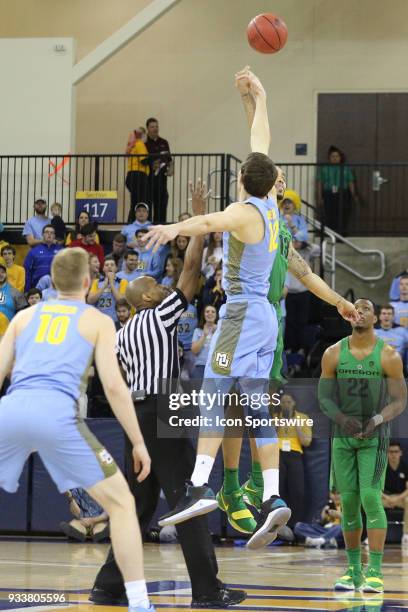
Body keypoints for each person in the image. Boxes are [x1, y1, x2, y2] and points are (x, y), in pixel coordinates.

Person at [143, 70, 290, 549]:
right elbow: (260, 138)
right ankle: (271, 497)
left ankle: (200, 487)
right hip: (266, 321)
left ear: (243, 178)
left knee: (212, 396)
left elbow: (211, 219)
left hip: (242, 314)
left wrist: (172, 227)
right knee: (254, 406)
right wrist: (257, 96)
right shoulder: (269, 199)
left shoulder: (246, 211)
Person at [210, 67, 359, 537]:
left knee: (263, 405)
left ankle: (253, 485)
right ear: (268, 184)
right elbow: (256, 149)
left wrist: (339, 302)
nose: (279, 178)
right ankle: (233, 487)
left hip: (266, 322)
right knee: (235, 404)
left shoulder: (279, 231)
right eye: (275, 176)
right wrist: (252, 100)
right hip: (240, 313)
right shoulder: (250, 211)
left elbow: (306, 273)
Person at [90, 181, 246, 609]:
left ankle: (108, 586)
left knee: (137, 507)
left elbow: (113, 381)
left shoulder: (121, 334)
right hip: (163, 407)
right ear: (143, 297)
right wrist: (198, 223)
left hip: (135, 416)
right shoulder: (159, 314)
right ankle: (208, 591)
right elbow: (192, 272)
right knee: (189, 499)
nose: (160, 285)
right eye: (152, 283)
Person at [0, 247, 154, 612]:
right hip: (56, 417)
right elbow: (115, 388)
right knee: (122, 505)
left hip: (12, 410)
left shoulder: (23, 316)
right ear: (88, 283)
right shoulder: (98, 321)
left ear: (51, 283)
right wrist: (138, 442)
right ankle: (139, 603)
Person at [319, 298, 407, 593]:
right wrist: (343, 419)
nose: (359, 312)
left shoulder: (389, 356)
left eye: (366, 308)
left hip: (375, 436)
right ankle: (353, 571)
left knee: (371, 498)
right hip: (343, 437)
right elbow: (324, 398)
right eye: (355, 308)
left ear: (375, 317)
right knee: (350, 505)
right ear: (349, 316)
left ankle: (376, 572)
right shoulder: (333, 353)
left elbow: (400, 400)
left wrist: (377, 420)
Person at [275, 393, 312, 531]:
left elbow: (307, 442)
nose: (286, 404)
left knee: (297, 492)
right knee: (278, 490)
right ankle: (278, 528)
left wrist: (296, 425)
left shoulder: (303, 418)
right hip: (277, 454)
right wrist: (277, 425)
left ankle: (295, 527)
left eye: (288, 402)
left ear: (294, 403)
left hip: (295, 454)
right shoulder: (275, 417)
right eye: (283, 402)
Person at [316, 145, 358, 235]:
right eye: (333, 156)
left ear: (340, 158)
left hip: (343, 194)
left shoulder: (345, 168)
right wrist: (319, 196)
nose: (335, 158)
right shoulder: (325, 169)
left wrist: (354, 195)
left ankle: (342, 234)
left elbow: (350, 182)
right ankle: (331, 234)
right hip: (329, 194)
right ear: (329, 158)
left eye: (337, 156)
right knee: (330, 214)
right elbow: (320, 183)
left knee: (343, 214)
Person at [145, 117, 173, 224]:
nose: (155, 129)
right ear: (148, 128)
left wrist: (171, 169)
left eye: (156, 126)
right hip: (148, 181)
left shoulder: (164, 142)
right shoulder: (144, 143)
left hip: (162, 181)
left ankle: (161, 230)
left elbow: (170, 160)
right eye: (152, 127)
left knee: (161, 206)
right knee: (148, 207)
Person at [382, 440, 408, 549]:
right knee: (371, 502)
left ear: (400, 453)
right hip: (385, 498)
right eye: (391, 452)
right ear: (387, 453)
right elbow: (376, 488)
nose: (393, 454)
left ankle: (406, 535)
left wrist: (397, 499)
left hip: (401, 498)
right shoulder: (382, 467)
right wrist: (388, 498)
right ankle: (369, 535)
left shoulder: (405, 466)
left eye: (396, 452)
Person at [87, 258, 128, 322]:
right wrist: (103, 286)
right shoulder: (96, 282)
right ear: (103, 269)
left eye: (112, 265)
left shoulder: (123, 282)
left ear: (116, 268)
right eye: (106, 265)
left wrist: (111, 284)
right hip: (98, 319)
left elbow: (121, 301)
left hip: (115, 320)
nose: (109, 266)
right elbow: (90, 301)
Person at [23, 225, 63, 290]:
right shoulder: (34, 251)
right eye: (47, 232)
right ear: (42, 235)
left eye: (52, 232)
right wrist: (27, 290)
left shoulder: (61, 251)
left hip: (56, 288)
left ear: (54, 236)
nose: (49, 234)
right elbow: (27, 271)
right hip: (37, 289)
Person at [126, 128, 150, 224]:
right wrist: (155, 158)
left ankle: (131, 222)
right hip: (138, 175)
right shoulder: (140, 144)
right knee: (140, 202)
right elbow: (143, 160)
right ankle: (134, 222)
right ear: (143, 135)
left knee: (134, 201)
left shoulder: (133, 145)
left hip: (131, 175)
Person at [0, 258, 26, 337]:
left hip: (7, 335)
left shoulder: (15, 292)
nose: (0, 274)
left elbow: (23, 314)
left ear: (6, 274)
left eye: (3, 272)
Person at [191, 305, 218, 380]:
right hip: (200, 367)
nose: (210, 313)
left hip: (215, 368)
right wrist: (204, 336)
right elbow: (194, 351)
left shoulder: (220, 330)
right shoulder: (198, 331)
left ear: (216, 315)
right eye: (207, 311)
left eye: (213, 312)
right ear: (204, 315)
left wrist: (218, 332)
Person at [177, 300, 198, 380]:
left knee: (191, 374)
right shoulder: (192, 308)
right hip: (179, 346)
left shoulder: (192, 308)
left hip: (189, 346)